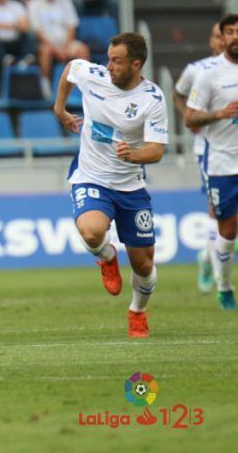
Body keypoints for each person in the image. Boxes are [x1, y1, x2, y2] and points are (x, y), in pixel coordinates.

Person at [53, 33, 168, 337]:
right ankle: (106, 257)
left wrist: (134, 155)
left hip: (130, 185)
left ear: (136, 63)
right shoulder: (94, 75)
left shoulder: (152, 99)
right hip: (91, 175)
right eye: (108, 58)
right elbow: (69, 70)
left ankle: (138, 311)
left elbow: (156, 151)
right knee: (91, 231)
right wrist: (59, 108)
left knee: (143, 266)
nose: (109, 66)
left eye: (116, 61)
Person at [186, 14, 238, 311]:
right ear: (222, 38)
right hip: (221, 163)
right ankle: (224, 285)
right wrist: (219, 114)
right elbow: (190, 118)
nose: (234, 37)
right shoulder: (208, 74)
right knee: (228, 232)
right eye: (229, 32)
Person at [173, 22, 224, 293]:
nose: (224, 41)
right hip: (209, 149)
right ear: (211, 41)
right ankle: (216, 274)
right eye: (219, 36)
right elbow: (178, 94)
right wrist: (187, 117)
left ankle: (207, 255)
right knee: (217, 211)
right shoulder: (197, 70)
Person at [27, 0, 90, 97]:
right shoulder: (34, 4)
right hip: (47, 43)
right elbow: (37, 31)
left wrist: (65, 47)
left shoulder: (65, 2)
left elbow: (72, 26)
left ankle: (84, 86)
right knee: (45, 51)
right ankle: (45, 85)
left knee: (83, 50)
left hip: (66, 42)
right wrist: (56, 50)